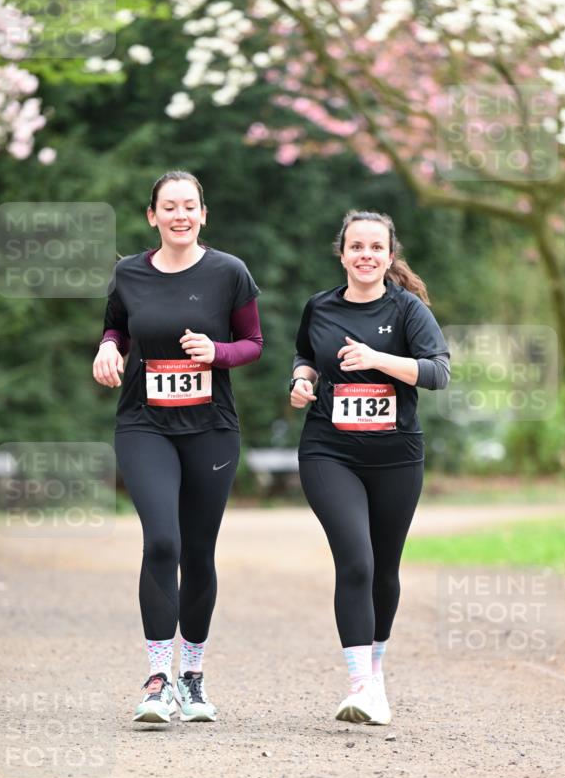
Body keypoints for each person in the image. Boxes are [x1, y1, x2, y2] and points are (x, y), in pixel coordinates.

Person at [93, 171, 262, 725]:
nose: (180, 215)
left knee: (198, 551)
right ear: (152, 216)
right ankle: (157, 677)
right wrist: (107, 350)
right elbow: (117, 328)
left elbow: (253, 344)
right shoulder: (128, 273)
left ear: (203, 214)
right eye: (169, 207)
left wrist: (217, 352)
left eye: (190, 205)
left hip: (211, 428)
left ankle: (192, 676)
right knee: (161, 541)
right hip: (145, 424)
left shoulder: (229, 273)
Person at [290, 210, 449, 726]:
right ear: (342, 253)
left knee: (384, 568)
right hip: (329, 450)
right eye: (356, 246)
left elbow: (437, 372)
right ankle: (359, 684)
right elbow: (304, 356)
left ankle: (375, 675)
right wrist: (302, 381)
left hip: (395, 456)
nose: (365, 255)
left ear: (389, 255)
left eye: (375, 247)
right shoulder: (319, 307)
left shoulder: (407, 310)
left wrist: (377, 359)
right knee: (355, 560)